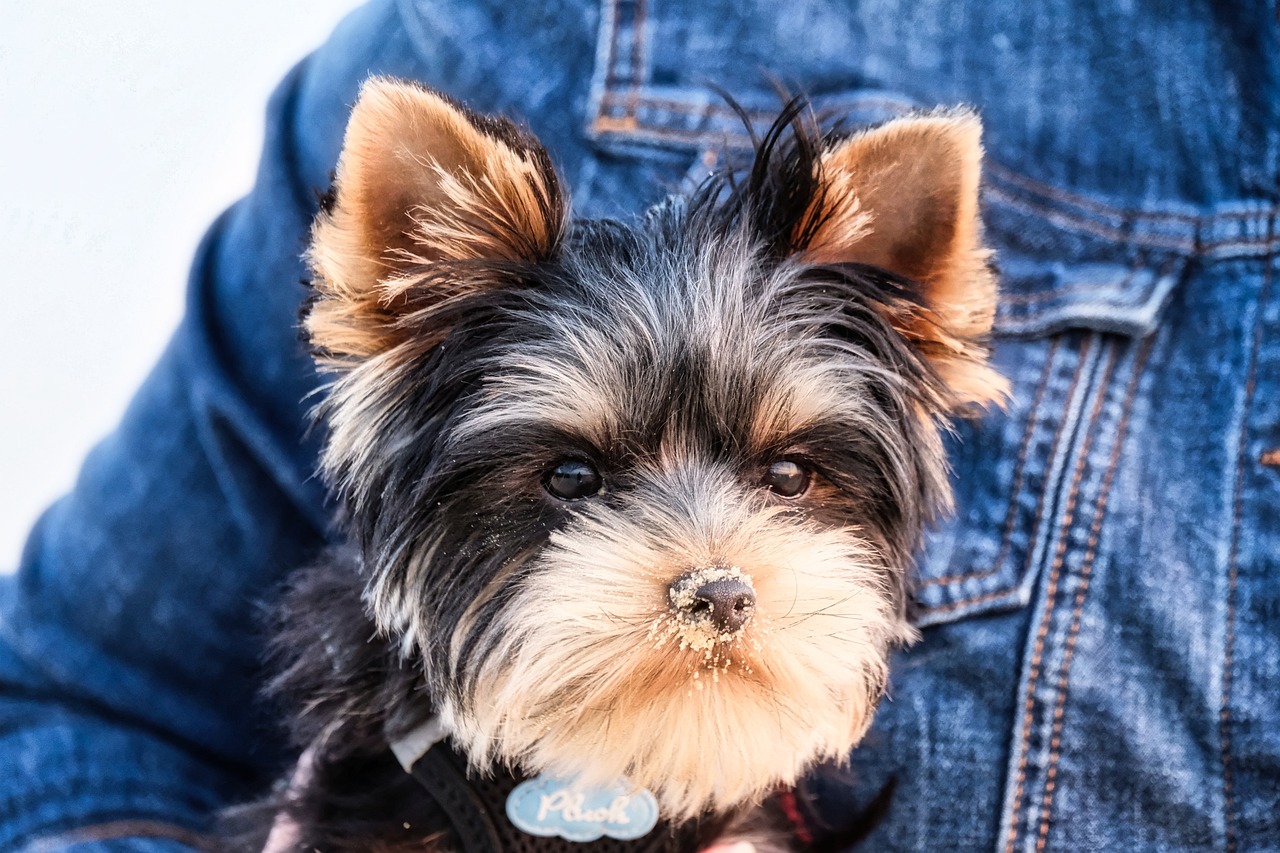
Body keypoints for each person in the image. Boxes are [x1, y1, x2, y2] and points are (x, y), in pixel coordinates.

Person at [1, 0, 1276, 850]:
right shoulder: (524, 25)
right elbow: (83, 704)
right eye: (568, 478)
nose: (714, 568)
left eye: (789, 474)